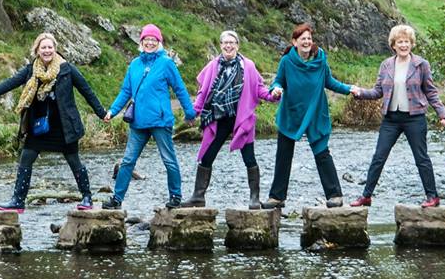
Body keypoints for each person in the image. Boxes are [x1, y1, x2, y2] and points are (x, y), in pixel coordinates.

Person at [0, 32, 107, 212]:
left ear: (55, 49)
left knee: (74, 161)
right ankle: (18, 201)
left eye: (50, 47)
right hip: (39, 126)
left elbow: (87, 91)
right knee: (25, 159)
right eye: (43, 47)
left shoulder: (67, 69)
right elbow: (9, 83)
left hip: (64, 126)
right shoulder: (31, 71)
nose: (47, 50)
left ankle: (87, 197)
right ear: (37, 50)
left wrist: (102, 113)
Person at [348, 24, 445, 208]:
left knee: (421, 158)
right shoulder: (386, 65)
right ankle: (366, 196)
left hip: (415, 118)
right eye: (400, 42)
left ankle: (432, 197)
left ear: (412, 44)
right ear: (393, 45)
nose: (404, 45)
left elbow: (431, 92)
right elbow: (378, 91)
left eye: (407, 42)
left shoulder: (421, 64)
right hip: (391, 119)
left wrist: (442, 114)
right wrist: (360, 93)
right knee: (379, 157)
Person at [102, 24, 196, 209]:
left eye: (154, 40)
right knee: (128, 161)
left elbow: (179, 88)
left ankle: (175, 197)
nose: (150, 43)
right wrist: (112, 111)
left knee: (168, 160)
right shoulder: (134, 64)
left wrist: (189, 112)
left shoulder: (166, 63)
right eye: (147, 39)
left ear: (159, 42)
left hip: (160, 121)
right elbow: (126, 91)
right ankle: (117, 199)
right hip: (138, 122)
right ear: (141, 41)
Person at [262, 23, 354, 209]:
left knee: (322, 152)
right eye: (302, 39)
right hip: (291, 112)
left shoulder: (320, 61)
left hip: (315, 112)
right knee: (283, 155)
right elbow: (278, 81)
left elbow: (330, 82)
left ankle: (335, 195)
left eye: (309, 39)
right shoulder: (286, 61)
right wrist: (276, 89)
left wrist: (349, 89)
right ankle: (277, 197)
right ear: (294, 42)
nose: (306, 42)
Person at [183, 30, 278, 209]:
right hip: (218, 119)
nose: (228, 46)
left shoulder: (248, 66)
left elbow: (259, 89)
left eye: (232, 43)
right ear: (220, 45)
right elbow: (203, 93)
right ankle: (198, 196)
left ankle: (254, 198)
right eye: (225, 43)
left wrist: (273, 95)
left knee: (249, 158)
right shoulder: (213, 66)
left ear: (237, 46)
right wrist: (193, 112)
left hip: (242, 119)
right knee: (207, 157)